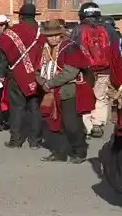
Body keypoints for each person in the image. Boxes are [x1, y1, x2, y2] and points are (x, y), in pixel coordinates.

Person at [36, 19, 95, 164]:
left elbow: (71, 71)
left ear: (61, 34)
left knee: (71, 124)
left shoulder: (70, 47)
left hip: (68, 91)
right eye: (50, 36)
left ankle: (79, 150)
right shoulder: (42, 49)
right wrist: (42, 82)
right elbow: (35, 69)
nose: (54, 38)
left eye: (57, 35)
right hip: (50, 91)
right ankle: (60, 152)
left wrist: (49, 83)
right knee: (55, 123)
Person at [0, 3, 45, 149]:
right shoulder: (42, 31)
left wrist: (1, 75)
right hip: (37, 75)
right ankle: (35, 141)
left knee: (17, 108)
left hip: (16, 75)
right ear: (34, 16)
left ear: (20, 16)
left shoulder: (12, 32)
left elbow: (4, 55)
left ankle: (15, 141)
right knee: (35, 108)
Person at [70, 2, 114, 139]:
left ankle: (86, 126)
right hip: (105, 69)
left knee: (85, 97)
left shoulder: (78, 29)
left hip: (86, 69)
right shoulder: (106, 29)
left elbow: (72, 48)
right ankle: (97, 124)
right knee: (101, 97)